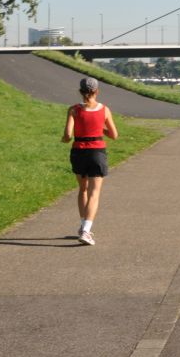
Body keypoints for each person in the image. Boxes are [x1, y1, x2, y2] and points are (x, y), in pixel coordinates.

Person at [61, 77, 118, 246]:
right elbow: (114, 135)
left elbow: (67, 135)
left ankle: (82, 226)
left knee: (83, 189)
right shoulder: (105, 110)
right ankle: (86, 231)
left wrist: (64, 139)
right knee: (94, 192)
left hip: (78, 151)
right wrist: (100, 127)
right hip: (96, 152)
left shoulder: (73, 110)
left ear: (80, 91)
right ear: (97, 91)